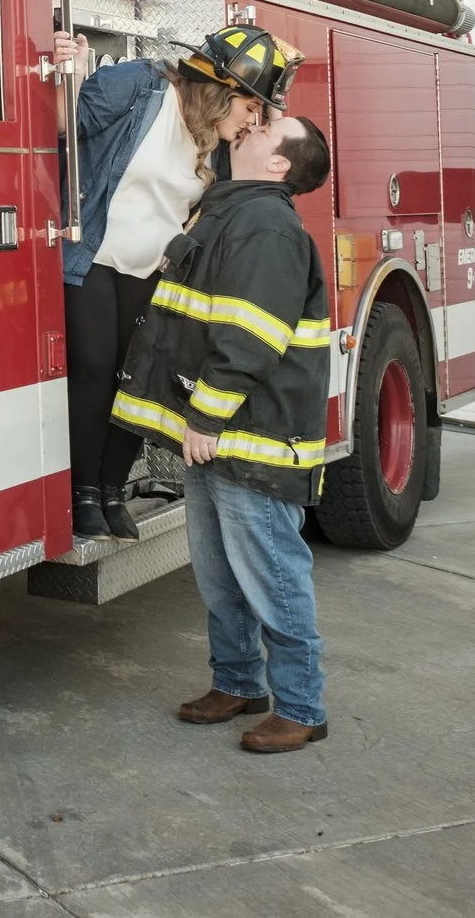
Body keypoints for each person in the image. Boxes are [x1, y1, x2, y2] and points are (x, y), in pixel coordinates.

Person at [112, 105, 335, 755]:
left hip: (249, 436)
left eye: (270, 128)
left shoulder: (266, 225)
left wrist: (207, 415)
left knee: (271, 574)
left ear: (279, 164)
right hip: (219, 435)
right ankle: (237, 681)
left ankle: (301, 706)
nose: (255, 122)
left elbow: (250, 335)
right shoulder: (229, 210)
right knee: (220, 574)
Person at [50, 23, 277, 539]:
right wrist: (72, 74)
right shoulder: (140, 85)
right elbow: (66, 127)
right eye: (250, 106)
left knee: (135, 381)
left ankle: (112, 492)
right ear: (221, 90)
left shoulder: (220, 143)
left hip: (153, 269)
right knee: (93, 369)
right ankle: (83, 494)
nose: (253, 120)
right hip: (92, 256)